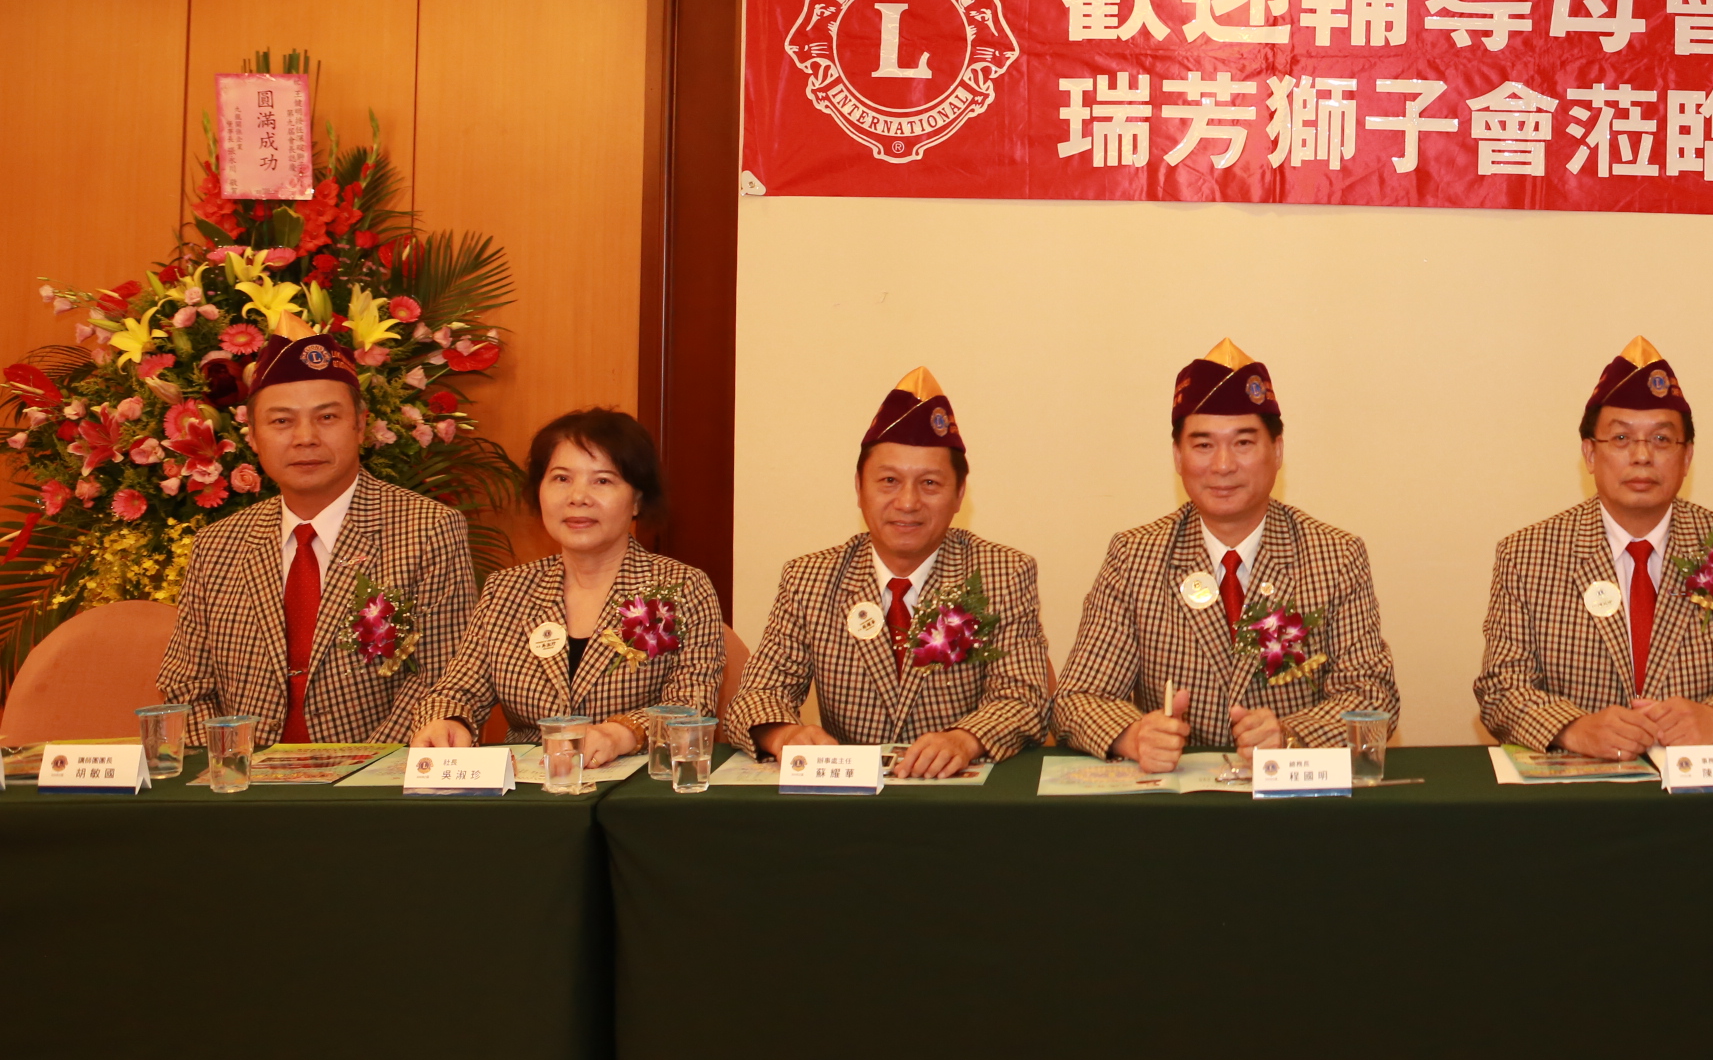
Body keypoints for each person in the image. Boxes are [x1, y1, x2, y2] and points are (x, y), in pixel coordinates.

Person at [1057, 339, 1399, 770]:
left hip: (1290, 795)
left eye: (1243, 443)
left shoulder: (1334, 555)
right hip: (1177, 795)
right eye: (1203, 445)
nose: (1222, 466)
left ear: (1277, 451)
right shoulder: (1135, 556)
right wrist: (1133, 736)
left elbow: (1373, 695)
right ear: (1177, 456)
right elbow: (1076, 697)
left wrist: (1291, 736)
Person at [1473, 337, 1713, 758]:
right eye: (1621, 438)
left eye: (1661, 440)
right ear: (1590, 454)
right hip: (1580, 779)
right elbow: (1501, 685)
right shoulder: (1527, 555)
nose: (1642, 456)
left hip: (1699, 779)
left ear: (1687, 457)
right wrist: (1573, 729)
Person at [723, 368, 1050, 776]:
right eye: (889, 481)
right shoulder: (810, 578)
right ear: (859, 488)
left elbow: (1025, 697)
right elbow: (755, 695)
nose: (908, 502)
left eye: (929, 483)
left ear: (959, 495)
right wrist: (785, 734)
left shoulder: (1002, 573)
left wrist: (965, 739)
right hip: (849, 797)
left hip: (957, 794)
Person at [157, 328, 477, 743]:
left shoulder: (427, 529)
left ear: (360, 425)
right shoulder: (218, 545)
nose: (305, 438)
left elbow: (441, 680)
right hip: (245, 773)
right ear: (252, 437)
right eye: (281, 421)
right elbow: (187, 686)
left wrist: (360, 772)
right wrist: (234, 764)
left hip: (376, 774)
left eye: (327, 417)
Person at [407, 408, 726, 763]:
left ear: (637, 499)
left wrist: (620, 734)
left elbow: (691, 706)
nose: (578, 497)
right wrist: (446, 721)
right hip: (530, 784)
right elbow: (457, 690)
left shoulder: (681, 588)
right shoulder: (507, 590)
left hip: (637, 779)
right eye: (561, 478)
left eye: (602, 481)